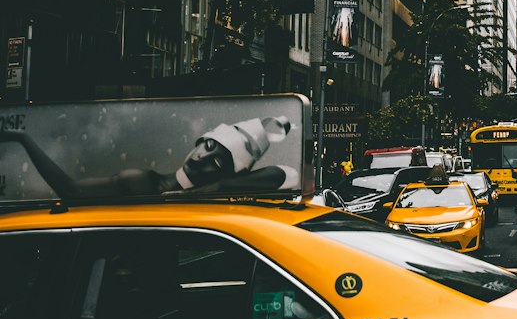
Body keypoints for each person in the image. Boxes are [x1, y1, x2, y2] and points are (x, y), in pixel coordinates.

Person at [0, 114, 296, 201]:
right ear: (201, 140)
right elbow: (70, 191)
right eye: (208, 146)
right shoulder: (142, 182)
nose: (203, 158)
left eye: (217, 163)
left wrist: (217, 188)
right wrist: (23, 139)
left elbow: (287, 175)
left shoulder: (213, 196)